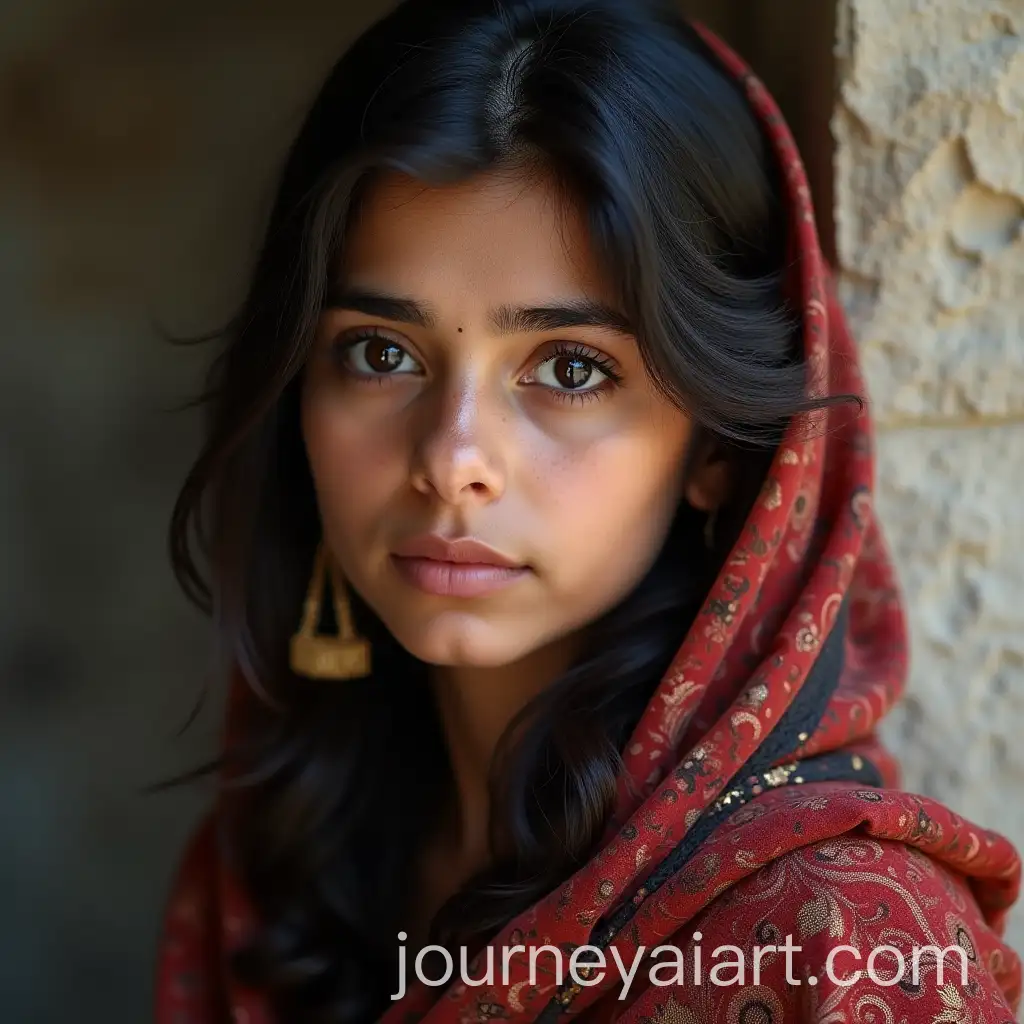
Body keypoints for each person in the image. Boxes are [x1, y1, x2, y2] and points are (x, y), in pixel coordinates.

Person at [155, 1, 1022, 1021]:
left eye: (569, 368)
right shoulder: (277, 863)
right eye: (381, 353)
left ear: (717, 448)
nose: (450, 460)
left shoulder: (838, 941)